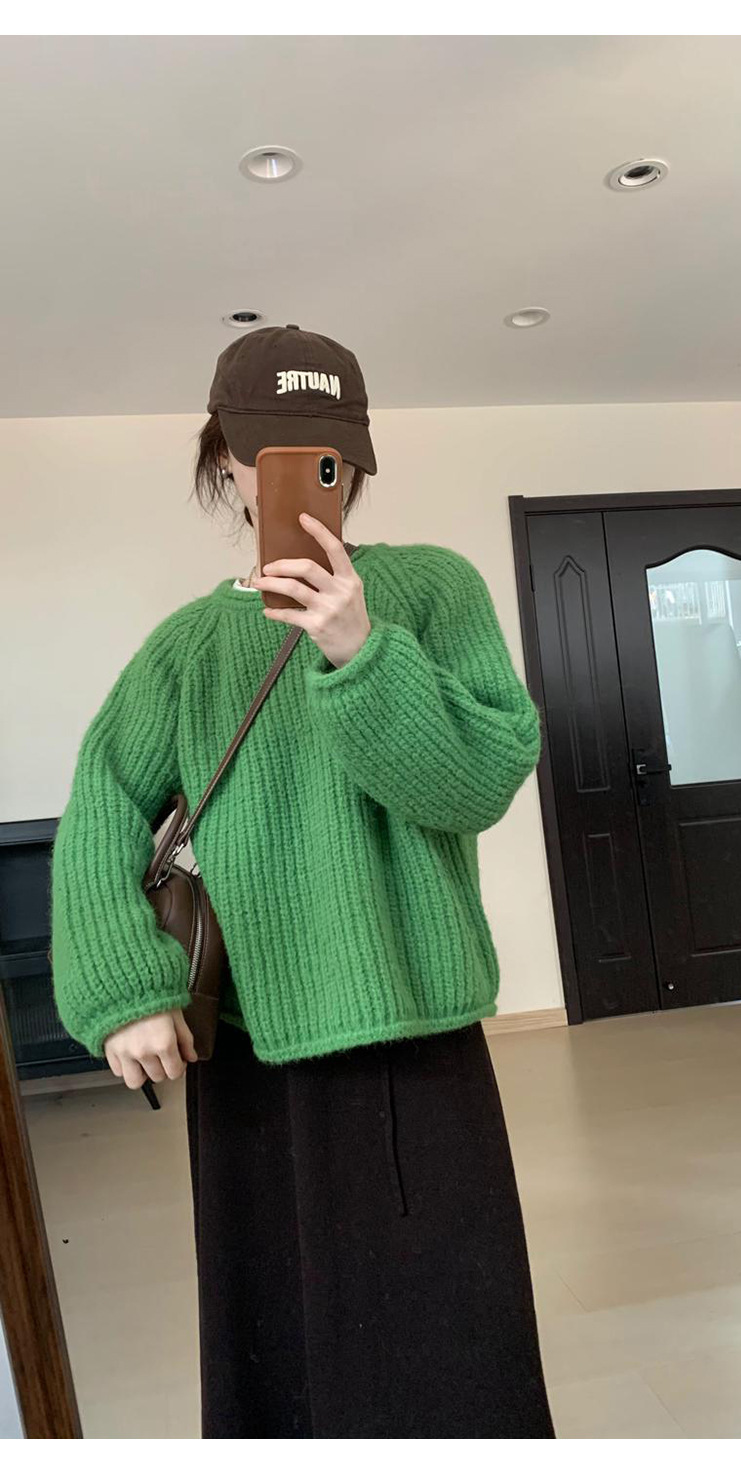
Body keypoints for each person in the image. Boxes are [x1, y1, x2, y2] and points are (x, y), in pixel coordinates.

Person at [50, 323, 555, 1439]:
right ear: (227, 459)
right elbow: (101, 801)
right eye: (269, 452)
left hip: (413, 1029)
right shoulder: (186, 647)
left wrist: (361, 648)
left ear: (355, 461)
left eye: (323, 456)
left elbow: (478, 782)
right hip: (251, 1048)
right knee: (275, 1347)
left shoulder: (434, 590)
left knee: (452, 1349)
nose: (297, 477)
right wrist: (124, 987)